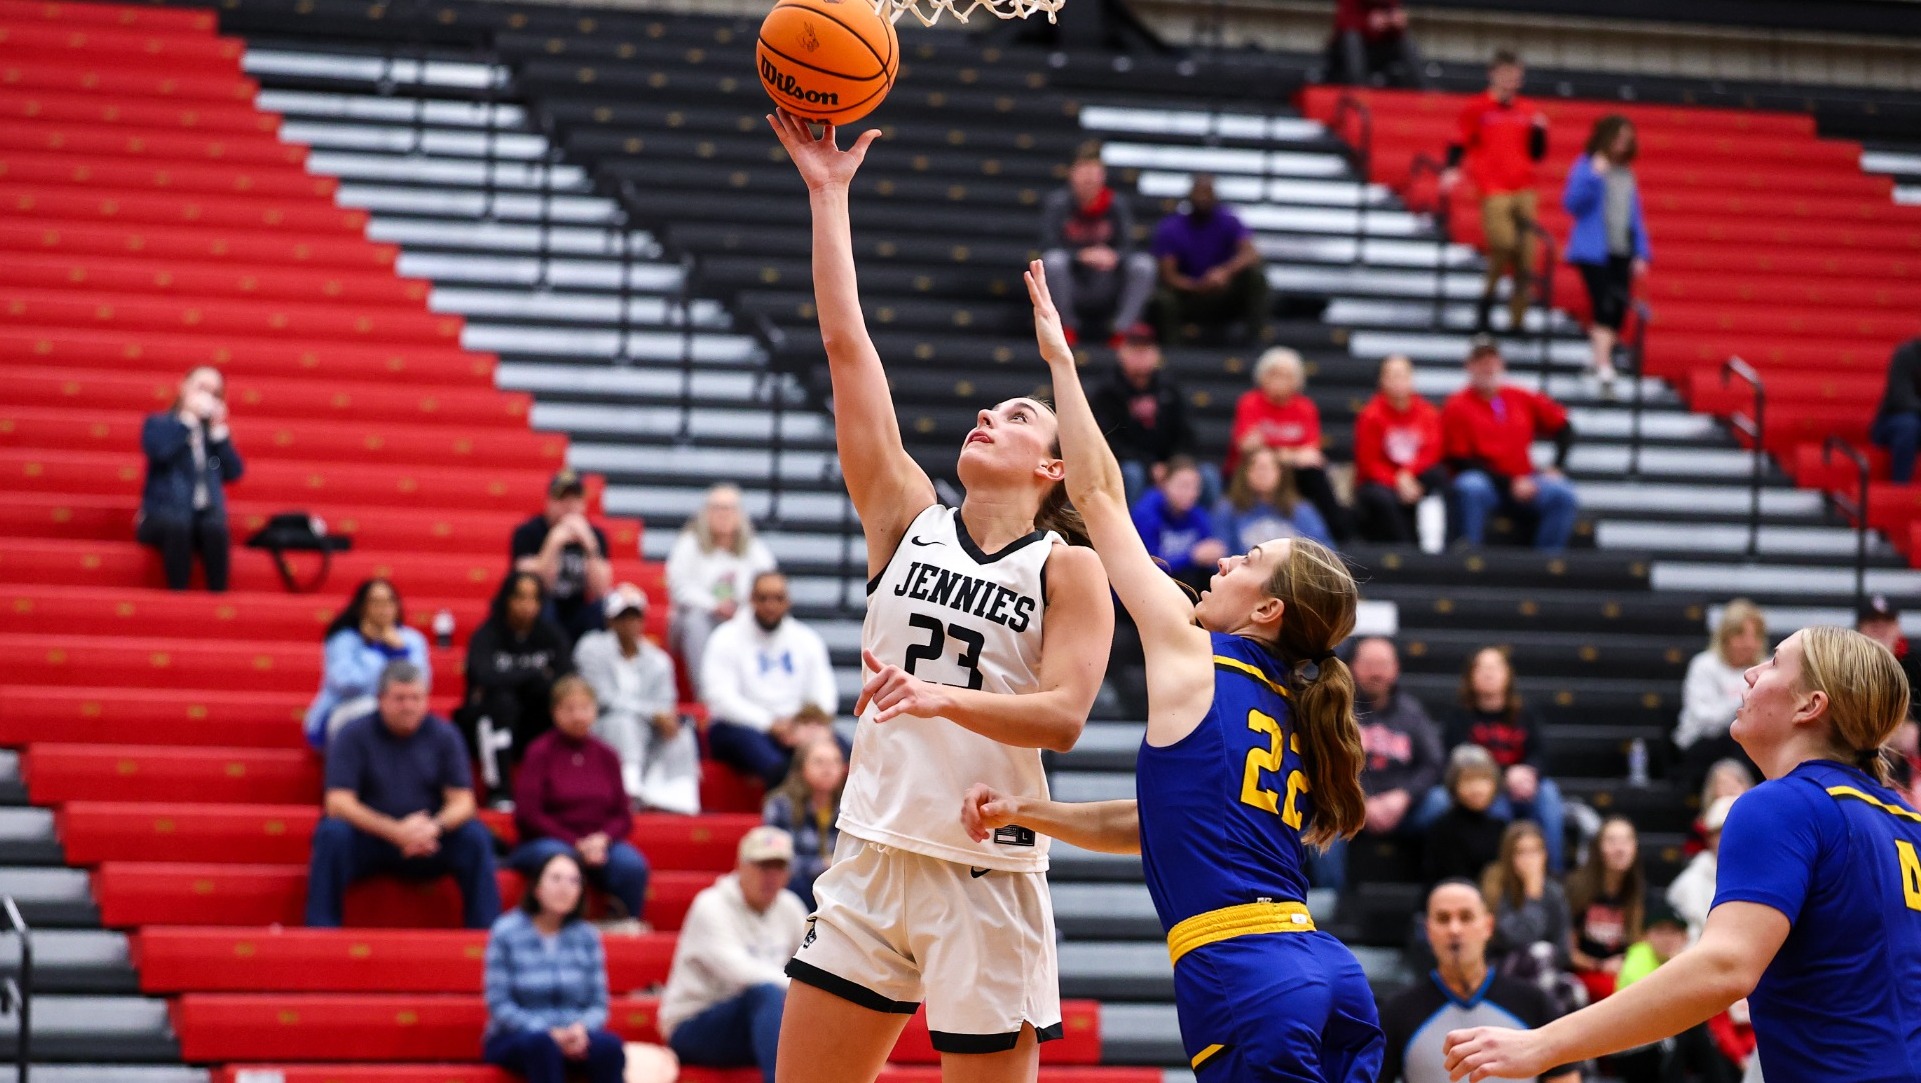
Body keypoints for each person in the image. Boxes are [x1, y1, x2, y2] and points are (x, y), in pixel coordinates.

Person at [960, 257, 1384, 1080]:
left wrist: (1062, 361)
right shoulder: (1294, 704)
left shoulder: (1193, 650)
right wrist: (1029, 812)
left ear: (1268, 611)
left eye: (1249, 560)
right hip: (1326, 974)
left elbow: (1101, 496)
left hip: (1245, 974)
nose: (1224, 559)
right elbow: (1162, 821)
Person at [767, 112, 1116, 1083]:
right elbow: (847, 351)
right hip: (872, 851)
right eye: (985, 407)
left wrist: (937, 699)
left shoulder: (1066, 568)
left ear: (1052, 465)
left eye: (1015, 415)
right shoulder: (904, 515)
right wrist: (827, 199)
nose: (984, 416)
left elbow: (1063, 720)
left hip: (986, 870)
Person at [1447, 626, 1921, 1083]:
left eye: (1774, 662)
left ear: (1810, 706)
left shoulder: (1784, 803)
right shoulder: (1907, 821)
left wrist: (1542, 1045)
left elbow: (1725, 966)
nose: (1751, 674)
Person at [306, 661, 500, 929]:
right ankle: (321, 931)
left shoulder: (445, 735)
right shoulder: (353, 734)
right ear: (380, 699)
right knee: (331, 834)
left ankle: (485, 935)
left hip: (429, 840)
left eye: (416, 698)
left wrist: (434, 827)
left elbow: (464, 802)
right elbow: (338, 802)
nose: (409, 706)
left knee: (475, 836)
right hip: (372, 839)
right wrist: (394, 831)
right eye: (399, 699)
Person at [1378, 880, 1579, 1083]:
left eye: (1466, 917)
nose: (1454, 929)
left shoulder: (1535, 1003)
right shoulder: (1396, 1013)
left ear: (1488, 926)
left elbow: (1565, 1078)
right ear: (1428, 931)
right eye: (1443, 919)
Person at [660, 826, 810, 1083]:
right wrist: (799, 989)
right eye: (763, 866)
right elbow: (740, 972)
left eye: (778, 868)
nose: (771, 876)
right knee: (766, 993)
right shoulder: (710, 905)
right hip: (694, 1025)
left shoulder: (790, 907)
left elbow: (813, 962)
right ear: (740, 866)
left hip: (757, 1023)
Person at [511, 677, 651, 923]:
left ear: (595, 711)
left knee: (632, 865)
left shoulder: (607, 755)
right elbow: (528, 814)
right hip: (549, 840)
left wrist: (602, 839)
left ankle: (624, 925)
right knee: (560, 860)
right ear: (555, 712)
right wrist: (575, 843)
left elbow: (623, 815)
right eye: (569, 709)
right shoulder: (540, 752)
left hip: (600, 843)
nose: (578, 716)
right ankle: (554, 927)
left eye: (585, 708)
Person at [1313, 636, 1444, 891]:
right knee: (1321, 810)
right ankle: (1332, 899)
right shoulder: (1334, 707)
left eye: (1383, 664)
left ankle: (1434, 894)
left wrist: (1404, 796)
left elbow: (1433, 763)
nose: (1377, 672)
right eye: (1369, 663)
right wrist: (1361, 801)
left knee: (1441, 803)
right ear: (1351, 666)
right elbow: (1318, 760)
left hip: (1401, 807)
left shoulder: (1411, 712)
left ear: (1396, 669)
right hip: (1348, 805)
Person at [482, 850, 626, 1083]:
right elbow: (499, 1004)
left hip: (575, 1034)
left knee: (609, 1047)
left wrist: (580, 1029)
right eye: (556, 879)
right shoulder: (506, 932)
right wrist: (549, 1032)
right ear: (537, 887)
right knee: (542, 1045)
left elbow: (599, 1004)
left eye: (573, 881)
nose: (565, 887)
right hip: (517, 1036)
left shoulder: (587, 936)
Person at [1424, 647, 1567, 872]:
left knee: (1549, 795)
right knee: (1494, 807)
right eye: (1481, 668)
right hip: (1486, 789)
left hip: (1524, 786)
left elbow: (1541, 753)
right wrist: (1503, 777)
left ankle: (1553, 877)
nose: (1488, 674)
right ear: (1470, 677)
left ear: (1508, 675)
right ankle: (1501, 879)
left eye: (1495, 667)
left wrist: (1530, 772)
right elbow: (1458, 762)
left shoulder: (1525, 714)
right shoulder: (1459, 717)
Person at [699, 571, 839, 792]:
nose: (771, 605)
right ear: (751, 599)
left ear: (788, 601)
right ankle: (791, 817)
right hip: (742, 727)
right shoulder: (725, 637)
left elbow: (824, 692)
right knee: (775, 765)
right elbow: (719, 698)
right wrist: (769, 724)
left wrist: (804, 725)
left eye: (778, 598)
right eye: (763, 598)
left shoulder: (806, 639)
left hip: (796, 726)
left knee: (848, 751)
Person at [1442, 50, 1549, 335]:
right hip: (1493, 189)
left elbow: (1537, 154)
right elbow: (1459, 140)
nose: (1511, 80)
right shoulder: (1478, 108)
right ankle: (1487, 300)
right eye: (1505, 74)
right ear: (1492, 74)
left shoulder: (1527, 110)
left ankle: (1517, 319)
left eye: (1515, 75)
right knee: (1503, 244)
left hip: (1524, 188)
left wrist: (1540, 132)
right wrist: (1451, 169)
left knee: (1526, 257)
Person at [1442, 336, 1577, 550]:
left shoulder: (1520, 396)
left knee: (1562, 493)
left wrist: (1557, 465)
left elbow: (1564, 427)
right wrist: (1510, 483)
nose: (1487, 367)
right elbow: (1461, 459)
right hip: (1489, 485)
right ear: (1469, 366)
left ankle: (1547, 564)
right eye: (1480, 361)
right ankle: (1470, 557)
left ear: (1501, 363)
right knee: (1469, 485)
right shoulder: (1457, 405)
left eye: (1492, 360)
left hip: (1526, 479)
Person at [573, 586, 699, 814]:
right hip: (601, 726)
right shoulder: (591, 647)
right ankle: (627, 791)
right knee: (622, 722)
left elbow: (665, 702)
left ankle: (672, 798)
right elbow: (600, 698)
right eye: (623, 616)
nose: (629, 622)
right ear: (610, 620)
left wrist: (662, 718)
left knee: (680, 732)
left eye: (635, 616)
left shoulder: (659, 660)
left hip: (647, 731)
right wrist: (650, 713)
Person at [460, 571, 574, 798]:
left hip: (535, 720)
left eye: (533, 598)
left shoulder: (551, 635)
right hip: (491, 721)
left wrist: (514, 676)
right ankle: (499, 790)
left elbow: (565, 680)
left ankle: (558, 789)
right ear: (507, 599)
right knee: (501, 702)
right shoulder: (487, 634)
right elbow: (483, 676)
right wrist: (534, 673)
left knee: (561, 703)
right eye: (520, 597)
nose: (527, 605)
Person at [1562, 115, 1651, 392]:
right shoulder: (1587, 165)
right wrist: (1593, 177)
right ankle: (1604, 365)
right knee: (1604, 305)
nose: (1622, 145)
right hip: (1593, 250)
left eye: (1627, 140)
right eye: (1618, 138)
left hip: (1621, 249)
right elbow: (1572, 204)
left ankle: (1597, 359)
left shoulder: (1626, 173)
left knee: (1620, 311)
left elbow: (1634, 215)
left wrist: (1641, 252)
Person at [137, 365, 243, 592]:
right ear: (184, 387)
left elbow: (234, 472)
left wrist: (218, 434)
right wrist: (185, 423)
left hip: (202, 516)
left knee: (216, 528)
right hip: (164, 514)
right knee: (179, 525)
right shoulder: (160, 424)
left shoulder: (212, 435)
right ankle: (178, 595)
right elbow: (159, 452)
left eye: (214, 393)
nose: (206, 397)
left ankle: (218, 597)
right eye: (201, 388)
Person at [1228, 346, 1351, 540]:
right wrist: (1291, 454)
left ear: (1297, 380)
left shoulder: (1305, 407)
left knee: (1315, 474)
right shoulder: (1250, 402)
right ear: (1262, 376)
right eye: (1274, 374)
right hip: (1251, 469)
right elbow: (1247, 446)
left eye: (1287, 375)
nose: (1279, 380)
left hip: (1291, 474)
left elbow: (1311, 454)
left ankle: (1336, 534)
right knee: (1261, 465)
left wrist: (1273, 450)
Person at [1039, 144, 1157, 346]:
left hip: (1108, 281)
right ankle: (1065, 327)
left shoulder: (1116, 204)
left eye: (1094, 172)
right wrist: (1081, 256)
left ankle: (1123, 331)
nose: (1089, 178)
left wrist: (1113, 257)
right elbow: (1049, 245)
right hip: (1074, 281)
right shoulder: (1058, 204)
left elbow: (1128, 246)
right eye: (1084, 171)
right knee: (1053, 262)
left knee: (1144, 265)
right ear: (1071, 174)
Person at [666, 483, 778, 696]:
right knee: (694, 621)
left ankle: (757, 692)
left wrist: (742, 611)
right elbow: (679, 588)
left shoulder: (755, 549)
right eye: (717, 508)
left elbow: (768, 585)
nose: (723, 515)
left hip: (741, 617)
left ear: (739, 514)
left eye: (729, 508)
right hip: (699, 617)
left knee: (763, 618)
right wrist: (714, 606)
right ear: (706, 513)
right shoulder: (689, 545)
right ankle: (708, 692)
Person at [303, 578, 432, 749]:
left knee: (410, 715)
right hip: (344, 709)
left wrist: (399, 651)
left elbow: (422, 683)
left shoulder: (411, 639)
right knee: (373, 711)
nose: (383, 608)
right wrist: (377, 650)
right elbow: (345, 682)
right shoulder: (344, 638)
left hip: (396, 708)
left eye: (388, 601)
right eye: (375, 602)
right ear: (361, 606)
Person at [1087, 322, 1201, 507]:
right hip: (1125, 463)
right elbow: (1106, 440)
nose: (1140, 355)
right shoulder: (1106, 390)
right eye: (1134, 349)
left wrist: (1175, 465)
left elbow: (1186, 433)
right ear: (1121, 352)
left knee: (1205, 475)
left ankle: (1202, 532)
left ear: (1157, 354)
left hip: (1168, 462)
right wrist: (1150, 466)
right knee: (1133, 473)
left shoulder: (1170, 387)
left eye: (1146, 349)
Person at [1151, 173, 1267, 343]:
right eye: (1199, 193)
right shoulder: (1171, 228)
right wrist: (1198, 286)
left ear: (1215, 196)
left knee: (1255, 276)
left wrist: (1224, 272)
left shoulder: (1229, 220)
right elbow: (1168, 276)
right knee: (1163, 300)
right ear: (1189, 196)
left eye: (1207, 193)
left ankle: (1255, 342)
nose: (1203, 198)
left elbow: (1251, 253)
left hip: (1224, 293)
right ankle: (1172, 354)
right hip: (1189, 296)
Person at [1354, 354, 1447, 546]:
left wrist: (1407, 475)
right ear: (1382, 380)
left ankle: (1447, 544)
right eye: (1392, 376)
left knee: (1440, 476)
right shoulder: (1370, 415)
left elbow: (1432, 451)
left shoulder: (1427, 412)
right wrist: (1397, 480)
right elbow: (1368, 463)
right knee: (1380, 497)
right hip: (1383, 482)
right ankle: (1407, 549)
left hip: (1414, 477)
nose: (1398, 381)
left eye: (1403, 375)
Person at [511, 469, 612, 643]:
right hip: (542, 606)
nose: (569, 505)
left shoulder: (595, 536)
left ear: (583, 503)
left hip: (577, 608)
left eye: (575, 498)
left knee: (602, 609)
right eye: (563, 498)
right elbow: (535, 584)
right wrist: (553, 542)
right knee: (542, 607)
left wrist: (590, 548)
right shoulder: (528, 533)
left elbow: (600, 590)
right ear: (549, 502)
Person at [1676, 601, 1767, 793]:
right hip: (1702, 743)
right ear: (1725, 637)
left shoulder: (1766, 668)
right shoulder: (1703, 665)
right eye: (1741, 635)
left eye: (1755, 636)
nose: (1749, 643)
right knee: (1737, 741)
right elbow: (1704, 717)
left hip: (1750, 743)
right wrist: (1743, 702)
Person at [1562, 815, 1646, 1004]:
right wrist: (1600, 965)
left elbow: (1640, 943)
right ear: (1598, 848)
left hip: (1624, 975)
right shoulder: (1576, 889)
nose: (1620, 849)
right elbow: (1566, 950)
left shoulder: (1637, 893)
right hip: (1583, 974)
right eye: (1612, 841)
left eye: (1626, 840)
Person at [762, 735, 847, 908]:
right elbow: (777, 858)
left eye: (835, 762)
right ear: (801, 767)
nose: (828, 768)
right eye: (819, 762)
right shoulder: (781, 804)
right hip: (799, 888)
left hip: (840, 885)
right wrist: (821, 864)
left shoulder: (851, 806)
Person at [1481, 821, 1571, 978]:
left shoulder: (1553, 891)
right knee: (1539, 953)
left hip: (1545, 972)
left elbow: (1563, 949)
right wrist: (1532, 896)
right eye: (1521, 852)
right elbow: (1515, 939)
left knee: (1574, 990)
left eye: (1536, 851)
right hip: (1501, 969)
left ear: (1545, 855)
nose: (1529, 860)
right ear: (1509, 857)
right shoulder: (1495, 886)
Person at [1131, 456, 1228, 595]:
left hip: (1184, 584)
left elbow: (1207, 549)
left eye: (1195, 487)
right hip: (1149, 589)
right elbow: (1148, 567)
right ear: (1164, 484)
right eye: (1183, 486)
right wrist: (1191, 557)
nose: (1190, 493)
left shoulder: (1196, 514)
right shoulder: (1146, 514)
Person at [1213, 446, 1334, 553]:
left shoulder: (1301, 509)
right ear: (1245, 473)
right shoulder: (1228, 508)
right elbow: (1218, 554)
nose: (1262, 473)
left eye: (1267, 467)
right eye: (1256, 467)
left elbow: (1324, 552)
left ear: (1281, 473)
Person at [1423, 744, 1508, 888]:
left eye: (1483, 780)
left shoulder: (1501, 827)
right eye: (1468, 780)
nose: (1477, 789)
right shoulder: (1442, 829)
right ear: (1454, 786)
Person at [1666, 796, 1734, 943]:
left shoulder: (1765, 875)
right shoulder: (1689, 883)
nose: (1731, 837)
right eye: (1722, 831)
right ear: (1709, 837)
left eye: (1737, 829)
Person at [1324, 0, 1423, 89]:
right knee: (1352, 38)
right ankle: (1359, 89)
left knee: (1405, 42)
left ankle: (1423, 89)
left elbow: (1395, 28)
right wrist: (1368, 24)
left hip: (1379, 51)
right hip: (1350, 55)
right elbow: (1344, 24)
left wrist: (1396, 24)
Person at [1869, 337, 1921, 485]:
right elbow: (1903, 398)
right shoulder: (1907, 355)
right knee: (1909, 424)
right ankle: (1900, 488)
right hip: (1892, 422)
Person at [1854, 593, 1921, 699]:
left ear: (1898, 627)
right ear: (1859, 628)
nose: (1881, 628)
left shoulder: (1916, 663)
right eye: (1873, 621)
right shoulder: (1847, 664)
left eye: (1888, 620)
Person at [1684, 759, 1753, 857]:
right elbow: (1691, 854)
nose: (1730, 789)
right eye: (1724, 784)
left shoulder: (1758, 817)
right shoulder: (1701, 825)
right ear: (1713, 789)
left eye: (1737, 782)